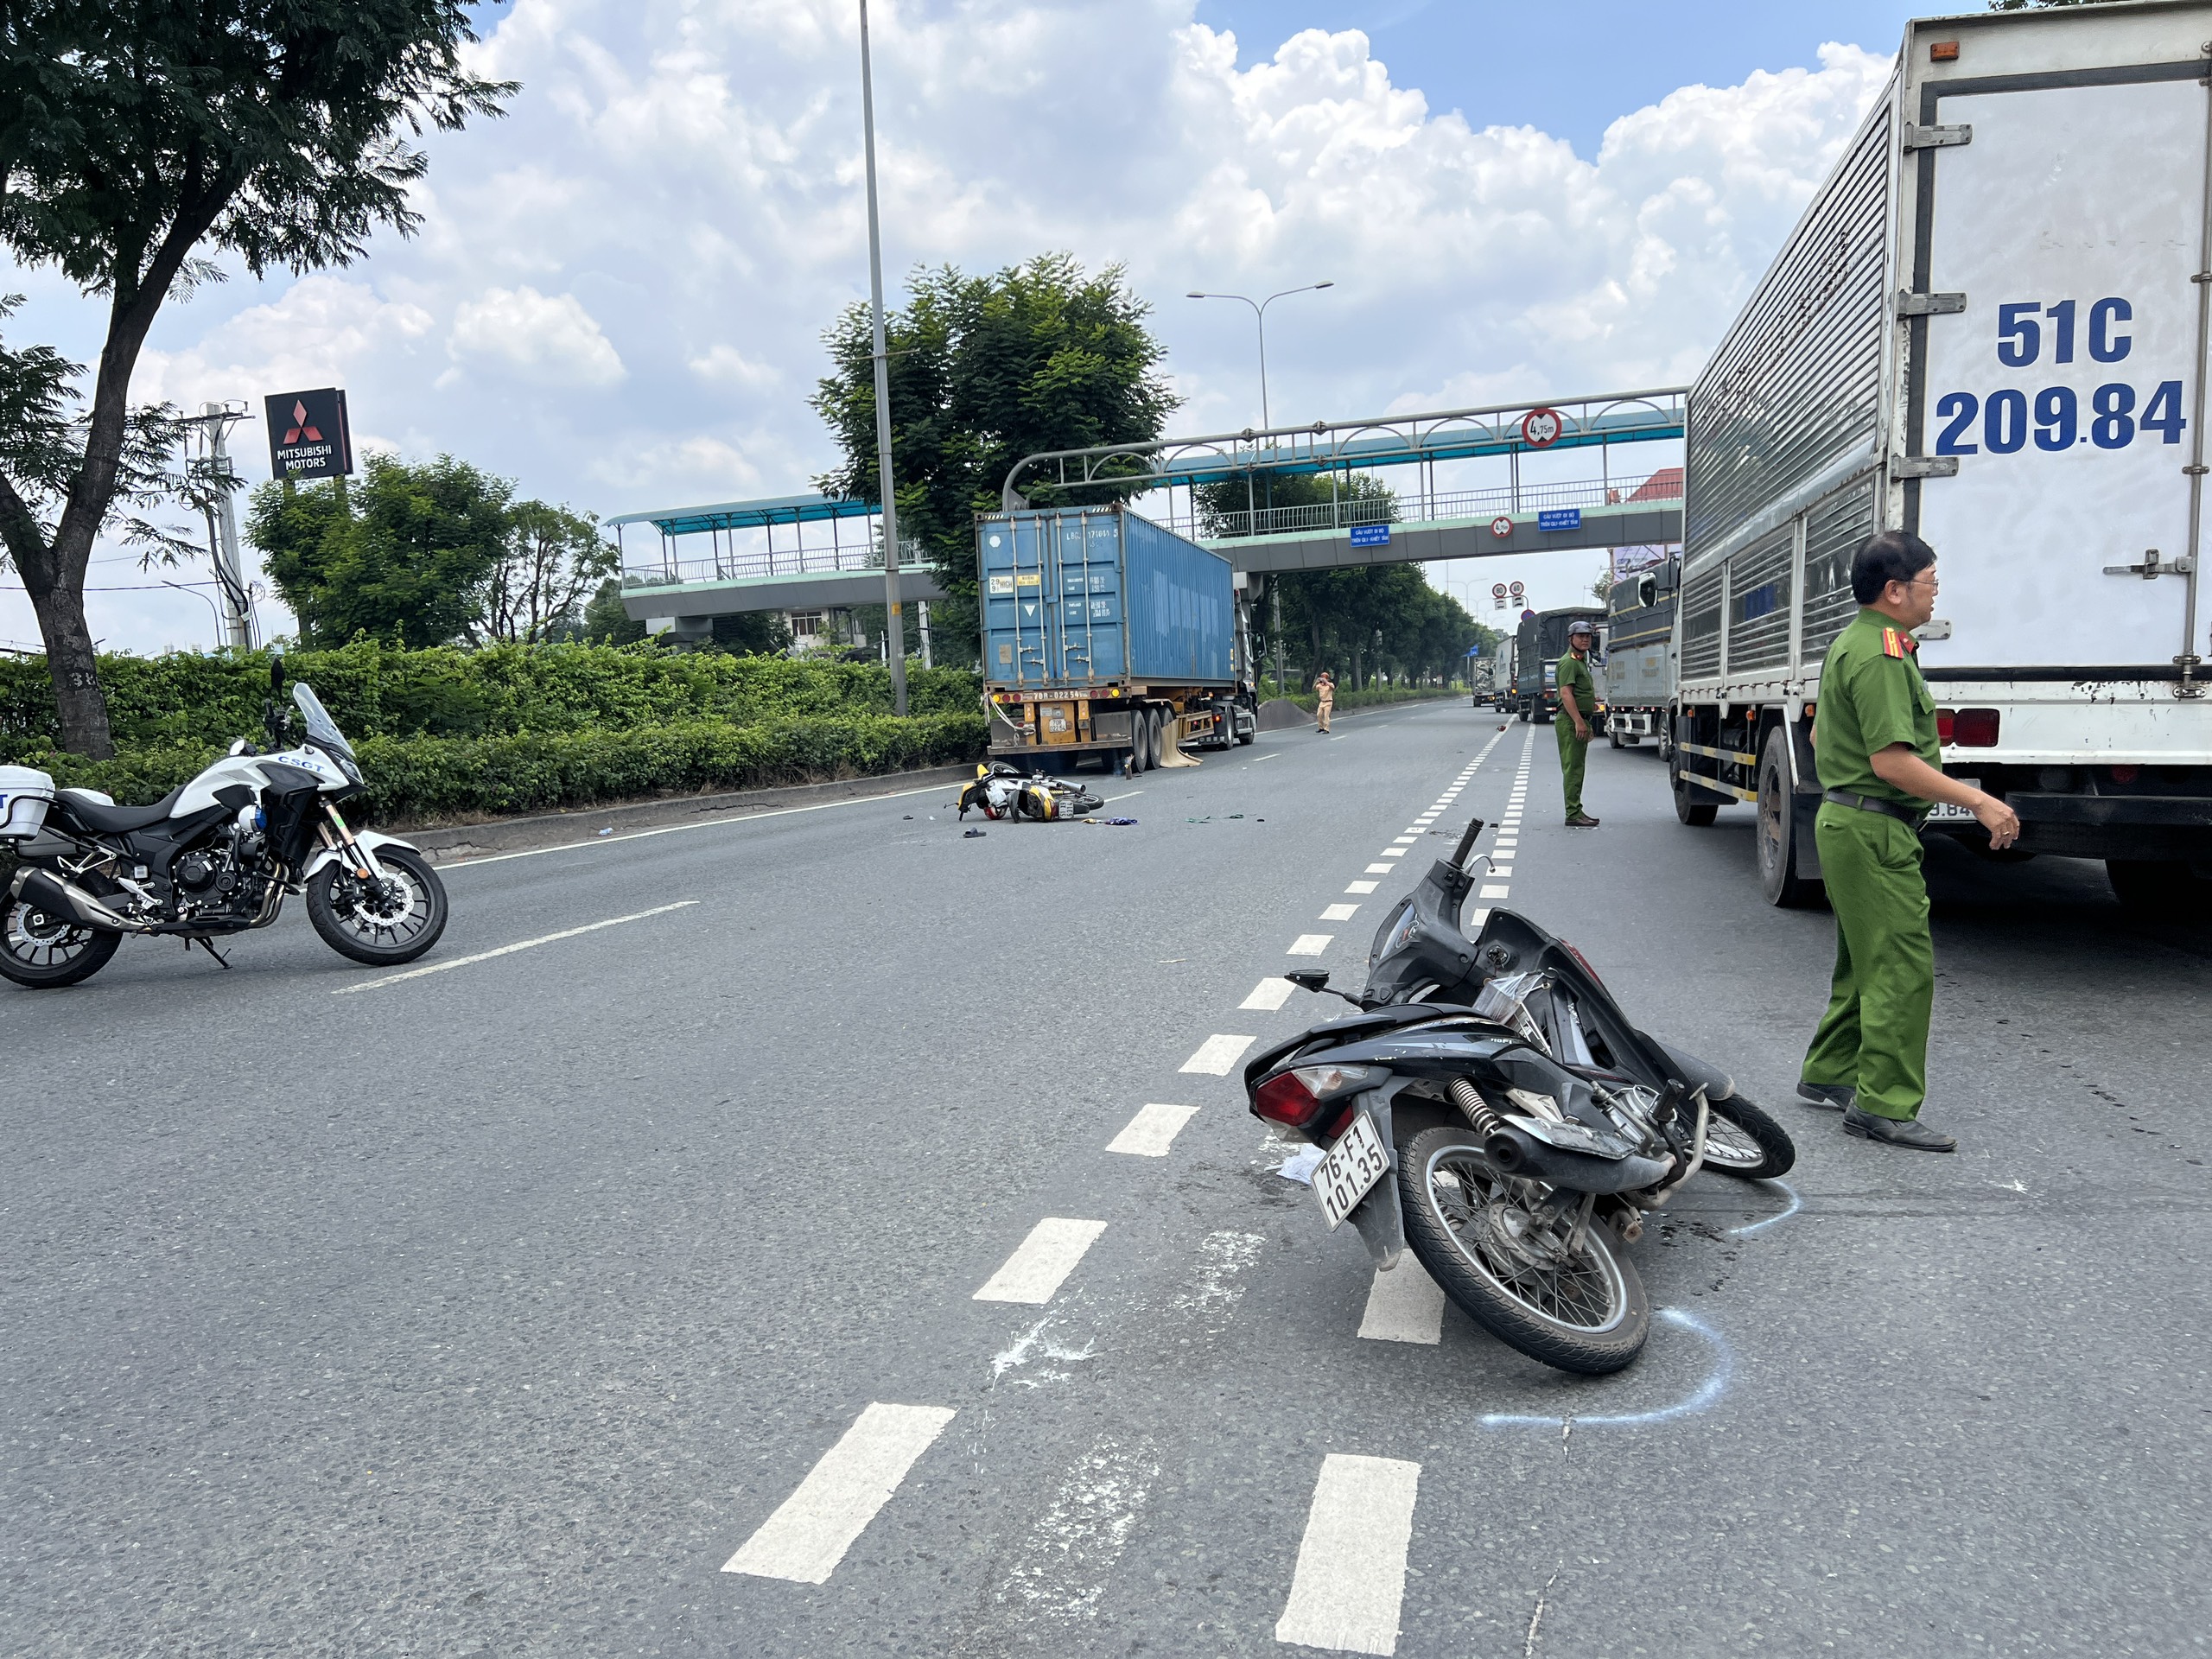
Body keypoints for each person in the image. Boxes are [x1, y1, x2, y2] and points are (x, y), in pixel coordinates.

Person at [1796, 530, 2020, 1152]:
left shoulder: (1855, 642)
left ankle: (1832, 1072)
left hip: (1849, 823)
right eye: (1929, 583)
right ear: (1894, 591)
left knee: (1863, 959)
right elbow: (1892, 762)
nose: (1935, 593)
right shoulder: (1882, 654)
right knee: (1899, 965)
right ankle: (1883, 1104)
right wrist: (1977, 799)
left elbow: (1820, 741)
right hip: (1873, 826)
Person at [1554, 621, 1599, 827]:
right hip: (1571, 720)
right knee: (1573, 768)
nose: (1585, 639)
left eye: (1588, 636)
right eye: (1580, 636)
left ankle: (1576, 810)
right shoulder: (1569, 662)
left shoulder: (1580, 661)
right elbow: (1566, 694)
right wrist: (1579, 722)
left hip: (1579, 719)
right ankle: (1573, 813)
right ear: (1571, 639)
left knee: (1578, 767)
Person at [1313, 670, 1335, 734]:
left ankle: (1326, 729)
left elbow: (1333, 688)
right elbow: (1314, 688)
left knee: (1326, 716)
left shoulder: (1330, 685)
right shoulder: (1320, 685)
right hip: (1322, 702)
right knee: (1318, 715)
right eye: (1322, 678)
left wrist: (1326, 682)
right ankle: (1321, 727)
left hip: (1328, 702)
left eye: (1325, 678)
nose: (1323, 679)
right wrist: (1317, 682)